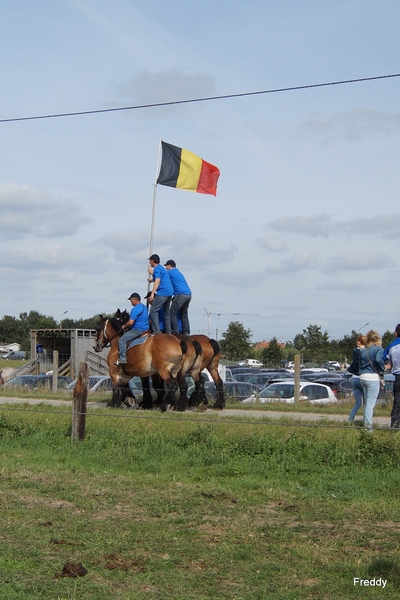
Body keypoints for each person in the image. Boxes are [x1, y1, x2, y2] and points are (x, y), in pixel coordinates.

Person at [358, 330, 385, 431]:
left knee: (366, 403)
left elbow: (360, 364)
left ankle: (366, 424)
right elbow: (378, 360)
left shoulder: (364, 350)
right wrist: (383, 368)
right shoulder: (379, 349)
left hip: (363, 376)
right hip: (373, 377)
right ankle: (368, 428)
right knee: (370, 403)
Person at [114, 293, 149, 365]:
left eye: (131, 300)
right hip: (146, 329)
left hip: (137, 330)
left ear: (135, 299)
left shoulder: (135, 309)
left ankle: (122, 358)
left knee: (121, 340)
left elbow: (130, 322)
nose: (131, 302)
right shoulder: (144, 307)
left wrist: (124, 326)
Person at [164, 259, 192, 335]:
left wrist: (151, 279)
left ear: (169, 265)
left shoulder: (169, 272)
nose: (166, 268)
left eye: (166, 266)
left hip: (181, 294)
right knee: (184, 314)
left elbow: (162, 277)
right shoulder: (178, 272)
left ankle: (175, 332)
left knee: (172, 312)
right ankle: (187, 332)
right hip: (188, 294)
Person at [147, 254, 173, 334]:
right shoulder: (161, 268)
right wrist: (152, 279)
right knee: (166, 312)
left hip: (163, 292)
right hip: (169, 292)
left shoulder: (157, 269)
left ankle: (156, 331)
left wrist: (152, 294)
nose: (150, 262)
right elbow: (159, 278)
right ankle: (169, 332)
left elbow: (158, 280)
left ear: (152, 260)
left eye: (150, 261)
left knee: (153, 310)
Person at [383, 324, 400, 428]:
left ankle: (394, 425)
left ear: (396, 333)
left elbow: (387, 363)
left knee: (397, 402)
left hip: (398, 377)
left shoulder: (391, 346)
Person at [347, 335, 366, 423]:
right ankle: (366, 421)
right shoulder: (366, 352)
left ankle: (350, 419)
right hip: (363, 378)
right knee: (366, 403)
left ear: (358, 342)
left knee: (358, 403)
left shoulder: (355, 351)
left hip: (354, 378)